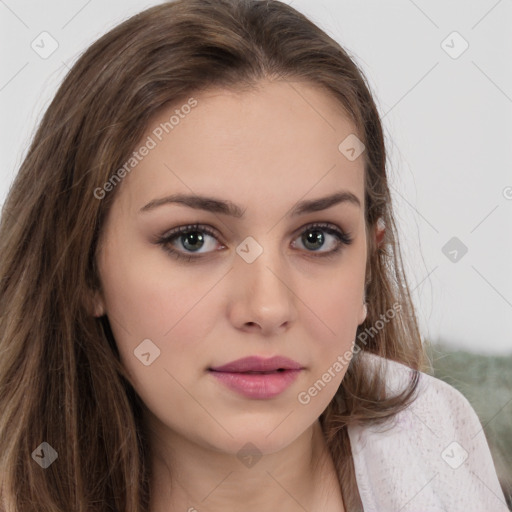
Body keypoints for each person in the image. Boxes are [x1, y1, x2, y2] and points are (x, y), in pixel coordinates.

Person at [0, 0, 508, 511]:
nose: (267, 309)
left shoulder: (432, 439)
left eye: (316, 238)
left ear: (369, 268)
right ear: (86, 268)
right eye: (193, 239)